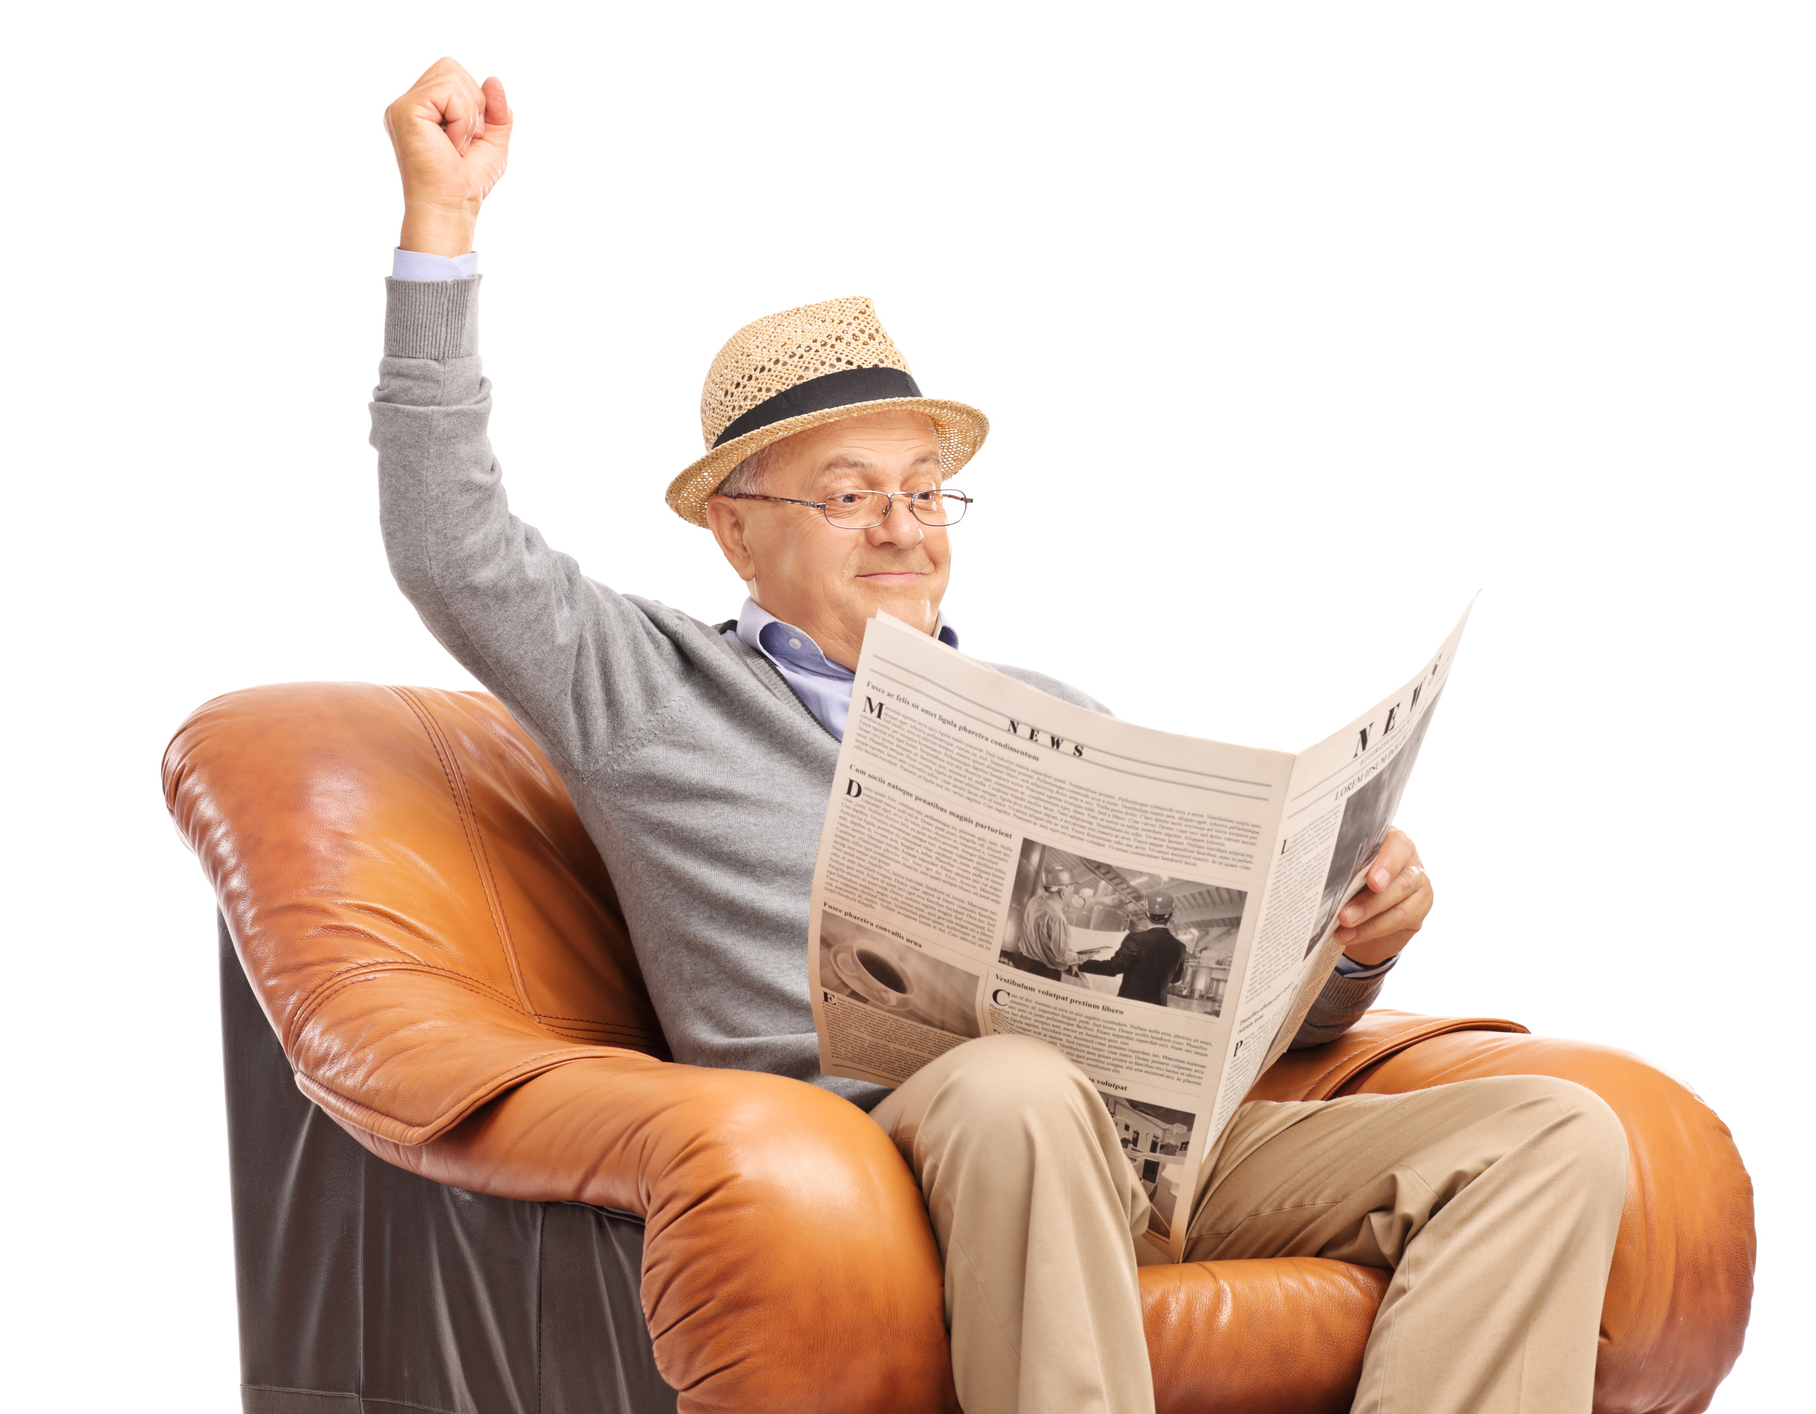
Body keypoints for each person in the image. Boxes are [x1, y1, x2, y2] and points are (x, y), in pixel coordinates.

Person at [373, 57, 1630, 1414]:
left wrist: (1352, 946)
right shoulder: (648, 688)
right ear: (732, 524)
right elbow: (450, 543)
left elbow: (1235, 1033)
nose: (903, 528)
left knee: (1553, 1132)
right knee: (1014, 1085)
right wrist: (441, 228)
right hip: (911, 1150)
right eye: (847, 494)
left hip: (1150, 1155)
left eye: (924, 490)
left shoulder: (1057, 718)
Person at [1079, 892, 1190, 1006]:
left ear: (1146, 913)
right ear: (1170, 914)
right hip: (1157, 1009)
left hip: (1129, 1005)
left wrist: (1078, 961)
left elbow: (1112, 968)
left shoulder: (1136, 939)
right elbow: (1176, 979)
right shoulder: (1180, 947)